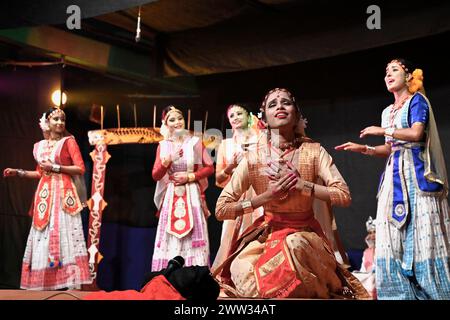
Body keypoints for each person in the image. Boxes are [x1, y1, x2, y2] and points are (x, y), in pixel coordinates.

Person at [213, 88, 370, 299]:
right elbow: (221, 209)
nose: (279, 106)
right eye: (272, 104)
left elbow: (343, 195)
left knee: (293, 246)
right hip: (268, 233)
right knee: (240, 267)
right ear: (265, 119)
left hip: (305, 236)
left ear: (296, 114)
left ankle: (318, 286)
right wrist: (265, 197)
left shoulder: (314, 152)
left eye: (286, 103)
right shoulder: (253, 158)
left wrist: (302, 184)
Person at [335, 59, 450, 299]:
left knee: (423, 235)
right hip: (393, 177)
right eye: (385, 71)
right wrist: (364, 149)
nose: (388, 74)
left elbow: (416, 133)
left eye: (394, 70)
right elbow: (388, 148)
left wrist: (382, 130)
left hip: (417, 177)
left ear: (408, 75)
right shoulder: (388, 111)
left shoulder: (417, 101)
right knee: (391, 238)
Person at [3, 107, 91, 290]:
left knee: (66, 234)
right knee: (43, 235)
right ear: (47, 123)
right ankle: (42, 282)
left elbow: (80, 168)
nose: (60, 123)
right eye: (56, 119)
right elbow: (39, 173)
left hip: (63, 194)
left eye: (62, 120)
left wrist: (57, 168)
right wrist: (17, 172)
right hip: (45, 195)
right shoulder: (39, 146)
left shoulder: (69, 142)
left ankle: (71, 284)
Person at [151, 106, 214, 271]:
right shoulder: (163, 146)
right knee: (171, 234)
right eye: (172, 119)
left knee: (192, 232)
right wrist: (168, 160)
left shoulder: (195, 142)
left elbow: (210, 167)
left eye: (180, 118)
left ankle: (196, 274)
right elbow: (156, 175)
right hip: (172, 194)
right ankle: (169, 276)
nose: (177, 122)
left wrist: (190, 176)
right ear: (166, 124)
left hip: (191, 192)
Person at [211, 104, 263, 273]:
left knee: (259, 232)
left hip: (258, 193)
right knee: (230, 236)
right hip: (235, 195)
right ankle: (230, 275)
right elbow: (218, 178)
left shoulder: (261, 139)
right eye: (231, 116)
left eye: (239, 113)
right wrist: (231, 166)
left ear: (249, 116)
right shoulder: (225, 144)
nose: (235, 117)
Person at [352, 216, 377, 299]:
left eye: (375, 232)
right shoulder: (366, 252)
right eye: (370, 233)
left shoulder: (384, 251)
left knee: (371, 279)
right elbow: (362, 271)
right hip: (368, 278)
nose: (372, 235)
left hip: (377, 280)